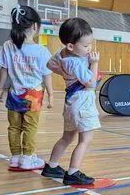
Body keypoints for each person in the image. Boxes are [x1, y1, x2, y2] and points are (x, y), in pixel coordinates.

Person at [42, 18, 101, 185]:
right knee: (85, 140)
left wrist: (63, 72)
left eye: (90, 44)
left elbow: (49, 64)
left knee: (66, 138)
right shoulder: (76, 62)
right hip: (82, 103)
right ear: (71, 46)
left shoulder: (62, 54)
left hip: (70, 104)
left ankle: (52, 166)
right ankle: (73, 172)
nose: (89, 48)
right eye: (85, 46)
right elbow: (91, 84)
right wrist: (94, 64)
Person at [0, 6, 54, 170]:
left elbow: (4, 69)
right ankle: (28, 158)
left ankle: (15, 157)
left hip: (14, 93)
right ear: (35, 26)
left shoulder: (8, 45)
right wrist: (51, 93)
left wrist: (0, 89)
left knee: (14, 127)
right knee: (30, 127)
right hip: (34, 95)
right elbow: (46, 75)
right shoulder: (41, 51)